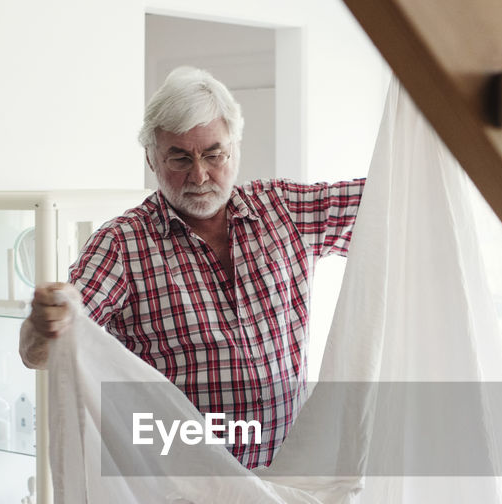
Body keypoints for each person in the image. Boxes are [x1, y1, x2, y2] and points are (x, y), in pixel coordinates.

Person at [19, 66, 365, 467]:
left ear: (235, 148)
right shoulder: (123, 244)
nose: (199, 175)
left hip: (286, 483)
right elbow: (38, 353)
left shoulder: (283, 208)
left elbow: (391, 199)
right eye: (180, 157)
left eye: (213, 154)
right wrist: (44, 322)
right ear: (151, 158)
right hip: (183, 499)